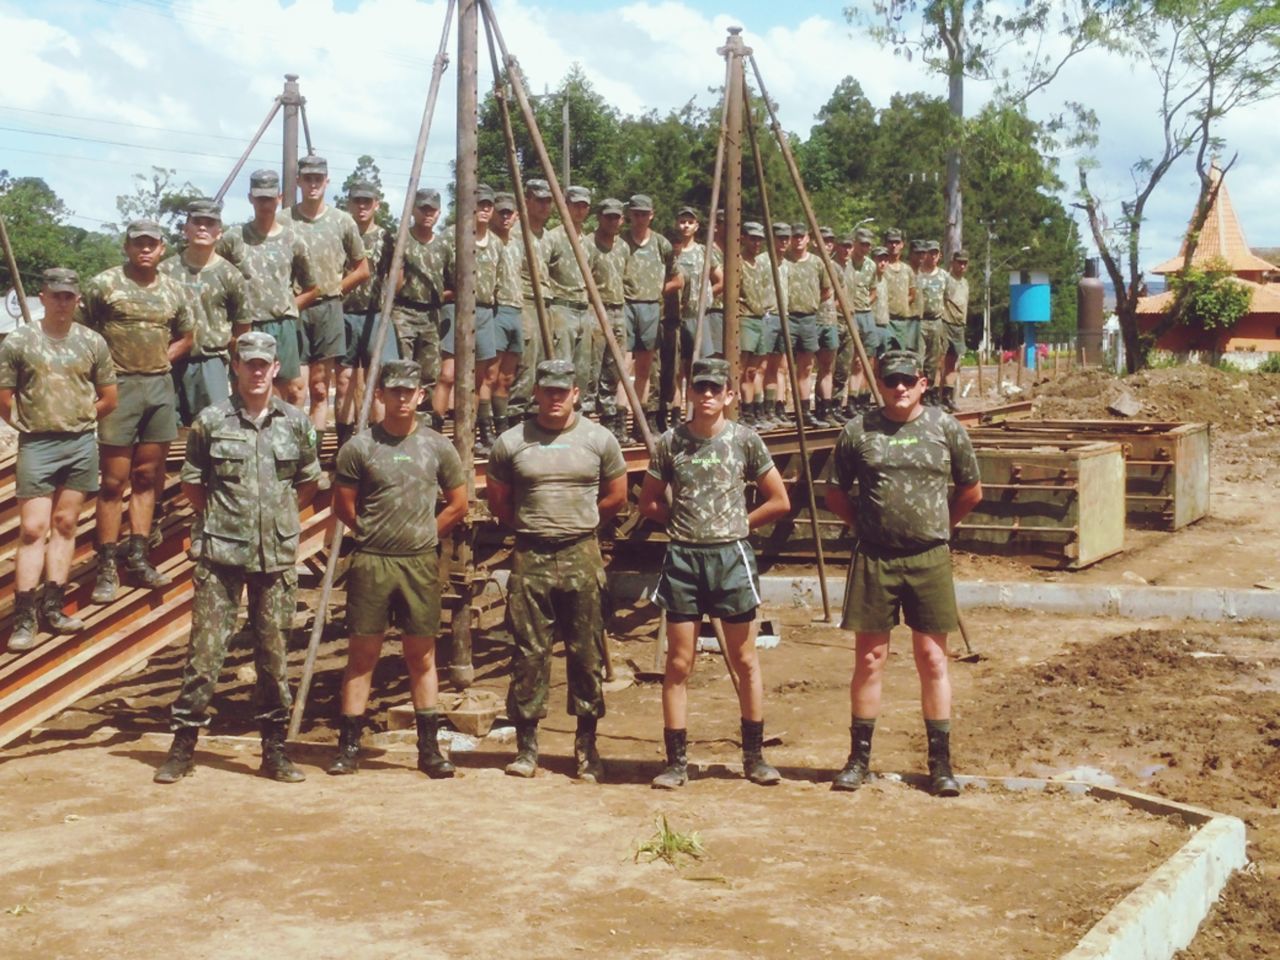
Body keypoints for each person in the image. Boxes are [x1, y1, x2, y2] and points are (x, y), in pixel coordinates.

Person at [153, 330, 321, 784]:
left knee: (273, 657)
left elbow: (307, 483)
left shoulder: (296, 423)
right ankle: (183, 748)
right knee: (204, 656)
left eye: (265, 363)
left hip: (276, 557)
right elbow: (193, 483)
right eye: (249, 363)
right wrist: (227, 521)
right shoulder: (211, 421)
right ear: (237, 367)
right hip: (221, 555)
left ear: (275, 368)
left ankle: (274, 752)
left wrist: (278, 520)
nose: (258, 370)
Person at [824, 349, 983, 797]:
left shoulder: (945, 429)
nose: (899, 389)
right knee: (870, 659)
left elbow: (971, 491)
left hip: (928, 558)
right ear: (879, 383)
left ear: (922, 383)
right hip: (875, 558)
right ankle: (858, 760)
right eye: (891, 381)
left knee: (932, 659)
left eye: (907, 381)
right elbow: (835, 491)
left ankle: (940, 764)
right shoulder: (859, 431)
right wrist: (861, 524)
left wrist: (940, 527)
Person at [637, 358, 791, 789]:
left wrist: (739, 526)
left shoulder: (745, 441)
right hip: (684, 561)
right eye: (700, 387)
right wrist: (681, 525)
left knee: (744, 659)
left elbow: (778, 499)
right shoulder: (671, 443)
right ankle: (676, 762)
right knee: (679, 663)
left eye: (715, 388)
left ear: (729, 394)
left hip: (731, 560)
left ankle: (754, 757)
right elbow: (648, 502)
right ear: (690, 392)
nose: (707, 395)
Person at [486, 359, 627, 782]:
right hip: (531, 555)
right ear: (536, 394)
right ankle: (527, 746)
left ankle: (586, 746)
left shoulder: (599, 439)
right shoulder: (511, 442)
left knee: (585, 653)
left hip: (582, 552)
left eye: (562, 392)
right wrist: (534, 526)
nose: (554, 398)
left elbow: (616, 495)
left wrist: (578, 523)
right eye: (547, 391)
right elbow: (499, 501)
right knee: (529, 652)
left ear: (576, 394)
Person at [328, 359, 468, 777]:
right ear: (380, 395)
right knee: (362, 654)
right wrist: (370, 533)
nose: (402, 398)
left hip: (419, 563)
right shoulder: (360, 447)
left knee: (421, 655)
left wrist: (427, 532)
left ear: (421, 396)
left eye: (410, 391)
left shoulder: (437, 447)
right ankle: (349, 747)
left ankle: (429, 750)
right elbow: (343, 505)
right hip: (372, 562)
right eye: (395, 391)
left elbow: (459, 503)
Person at [0, 269, 117, 652]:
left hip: (80, 444)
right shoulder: (20, 340)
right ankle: (24, 617)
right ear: (42, 297)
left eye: (69, 296)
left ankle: (54, 607)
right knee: (33, 528)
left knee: (66, 523)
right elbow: (5, 396)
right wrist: (31, 424)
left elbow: (108, 397)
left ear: (77, 299)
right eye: (56, 295)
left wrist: (78, 421)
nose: (62, 302)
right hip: (38, 445)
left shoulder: (92, 342)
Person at [78, 219, 194, 602]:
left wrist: (164, 357)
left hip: (158, 388)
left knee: (146, 476)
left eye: (152, 244)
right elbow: (83, 333)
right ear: (127, 247)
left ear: (162, 249)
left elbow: (187, 335)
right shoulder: (104, 285)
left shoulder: (175, 289)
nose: (145, 249)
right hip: (119, 388)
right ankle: (107, 567)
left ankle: (139, 556)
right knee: (112, 482)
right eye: (138, 243)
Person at [281, 155, 369, 437]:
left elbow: (362, 268)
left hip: (328, 311)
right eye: (307, 179)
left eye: (318, 179)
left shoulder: (342, 221)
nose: (313, 184)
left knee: (320, 389)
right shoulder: (284, 220)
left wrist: (335, 288)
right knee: (295, 390)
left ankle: (314, 453)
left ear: (326, 181)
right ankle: (292, 450)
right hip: (293, 310)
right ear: (298, 182)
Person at [218, 169, 317, 399]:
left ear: (279, 198)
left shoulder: (293, 239)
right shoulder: (233, 238)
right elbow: (217, 275)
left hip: (282, 326)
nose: (265, 203)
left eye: (270, 198)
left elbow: (312, 287)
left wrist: (289, 307)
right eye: (260, 198)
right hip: (246, 326)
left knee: (289, 390)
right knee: (246, 389)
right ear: (251, 198)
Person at [161, 199, 246, 426]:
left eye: (209, 223)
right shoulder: (164, 271)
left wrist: (236, 372)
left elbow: (241, 328)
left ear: (219, 232)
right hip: (169, 362)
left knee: (215, 430)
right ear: (185, 229)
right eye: (196, 222)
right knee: (164, 432)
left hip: (212, 362)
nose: (202, 228)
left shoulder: (231, 275)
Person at [336, 179, 399, 445]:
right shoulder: (339, 234)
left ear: (377, 204)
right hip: (344, 315)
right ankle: (344, 442)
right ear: (349, 203)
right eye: (357, 201)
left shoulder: (387, 237)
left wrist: (388, 303)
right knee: (344, 382)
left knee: (379, 381)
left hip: (376, 316)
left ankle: (380, 440)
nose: (362, 206)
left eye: (367, 201)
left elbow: (398, 276)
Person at [621, 194, 682, 435]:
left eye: (644, 214)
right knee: (623, 366)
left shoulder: (661, 244)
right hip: (625, 306)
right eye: (636, 213)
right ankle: (619, 419)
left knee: (646, 368)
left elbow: (677, 279)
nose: (640, 218)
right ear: (629, 215)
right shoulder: (621, 242)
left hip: (651, 309)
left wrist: (656, 291)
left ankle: (640, 420)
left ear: (652, 215)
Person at [393, 187, 450, 424]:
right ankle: (399, 420)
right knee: (403, 370)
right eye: (423, 208)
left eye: (433, 210)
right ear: (414, 210)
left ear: (438, 213)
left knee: (430, 374)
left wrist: (438, 297)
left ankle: (426, 423)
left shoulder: (444, 246)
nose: (428, 214)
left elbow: (455, 283)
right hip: (402, 312)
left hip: (431, 315)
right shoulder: (401, 240)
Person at [543, 184, 594, 401]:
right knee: (561, 368)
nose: (580, 211)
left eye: (584, 206)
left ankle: (577, 410)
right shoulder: (553, 238)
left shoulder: (589, 242)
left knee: (582, 370)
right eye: (575, 206)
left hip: (584, 309)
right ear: (565, 206)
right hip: (562, 307)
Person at [586, 197, 630, 442]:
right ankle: (587, 420)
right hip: (595, 309)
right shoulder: (588, 244)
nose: (613, 221)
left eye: (617, 217)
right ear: (599, 217)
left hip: (618, 310)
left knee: (614, 368)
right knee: (592, 367)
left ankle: (610, 420)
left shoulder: (622, 247)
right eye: (608, 216)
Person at [784, 222, 831, 427]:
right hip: (786, 317)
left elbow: (827, 290)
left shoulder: (817, 263)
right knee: (781, 366)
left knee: (806, 366)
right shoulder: (783, 261)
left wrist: (810, 303)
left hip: (809, 318)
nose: (798, 240)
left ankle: (804, 410)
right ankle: (780, 409)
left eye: (801, 236)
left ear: (808, 239)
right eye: (795, 236)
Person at [490, 191, 526, 435]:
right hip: (496, 309)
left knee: (507, 377)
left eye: (509, 213)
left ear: (515, 216)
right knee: (489, 375)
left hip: (517, 309)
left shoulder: (518, 243)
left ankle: (502, 425)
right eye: (500, 212)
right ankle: (485, 427)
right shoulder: (488, 241)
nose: (505, 217)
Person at [916, 240, 948, 406]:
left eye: (936, 253)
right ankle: (919, 392)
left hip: (937, 322)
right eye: (930, 253)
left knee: (934, 360)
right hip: (920, 322)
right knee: (919, 358)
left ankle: (931, 392)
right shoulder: (917, 274)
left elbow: (948, 298)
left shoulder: (943, 276)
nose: (933, 256)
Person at [940, 250, 970, 413]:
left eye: (965, 263)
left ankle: (948, 397)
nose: (962, 265)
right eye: (960, 262)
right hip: (945, 323)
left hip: (959, 325)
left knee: (953, 363)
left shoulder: (965, 283)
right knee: (940, 361)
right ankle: (935, 396)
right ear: (953, 263)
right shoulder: (946, 279)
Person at [881, 229, 918, 354]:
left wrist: (901, 302)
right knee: (882, 358)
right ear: (886, 244)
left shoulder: (907, 270)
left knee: (899, 359)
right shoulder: (881, 268)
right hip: (884, 321)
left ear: (902, 244)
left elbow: (912, 294)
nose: (894, 245)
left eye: (897, 242)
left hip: (902, 323)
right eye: (890, 242)